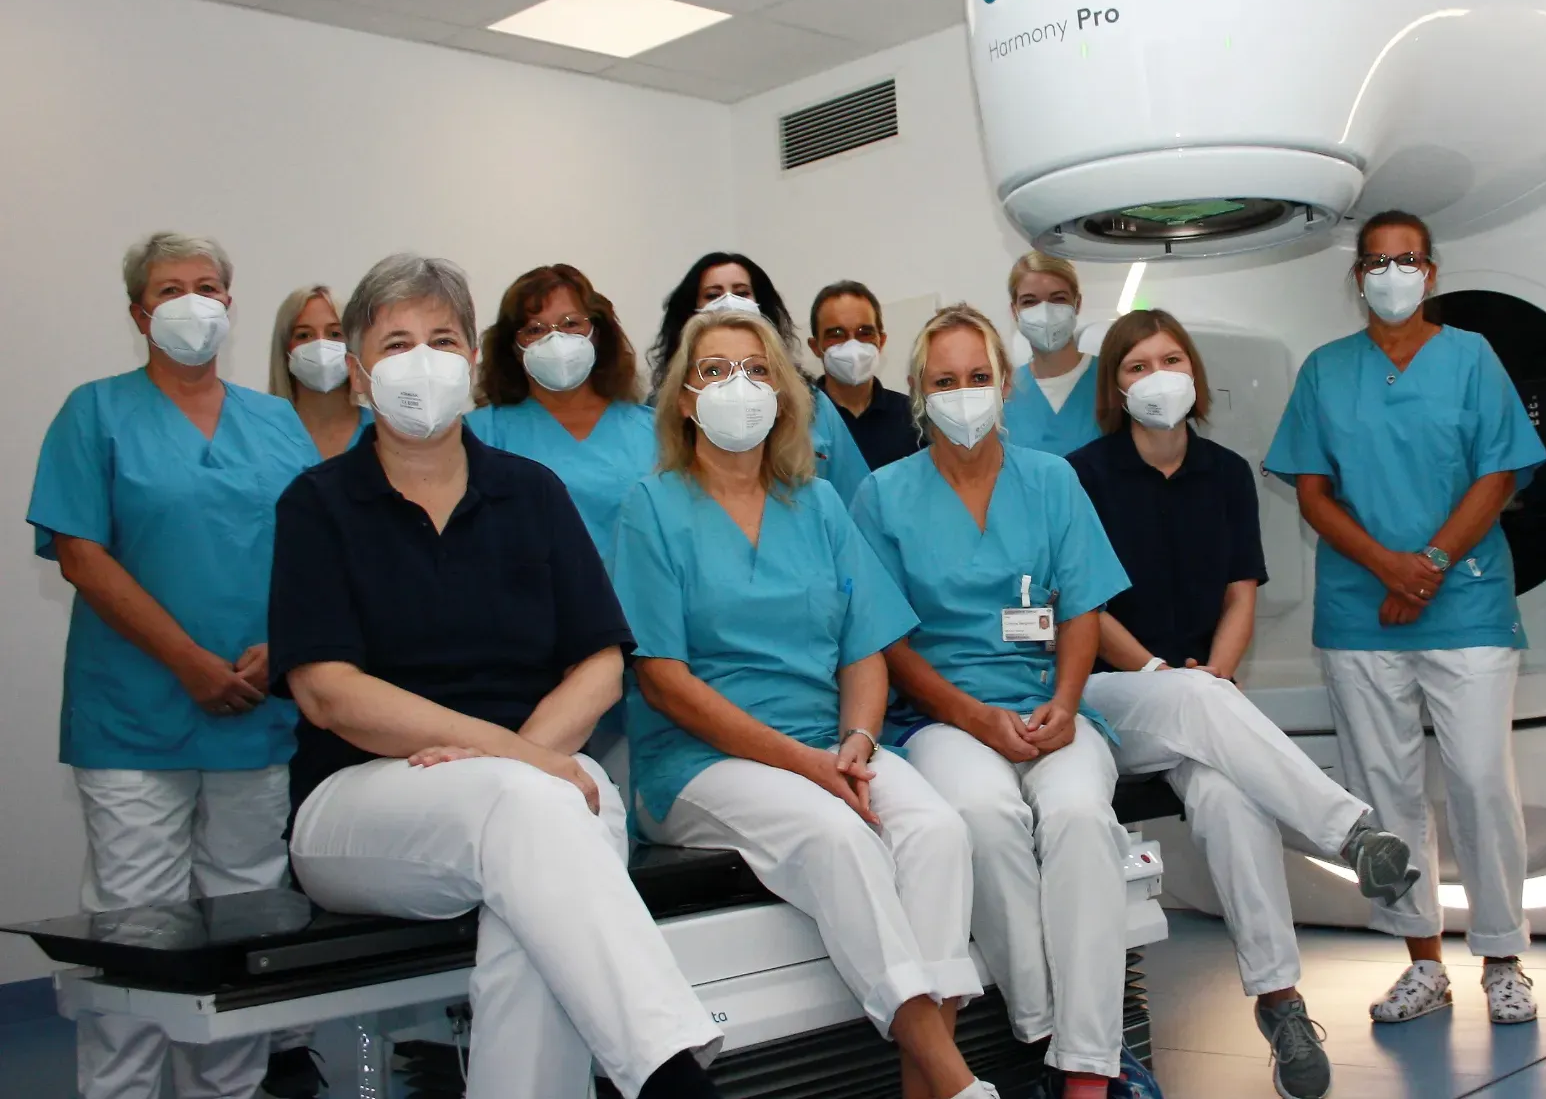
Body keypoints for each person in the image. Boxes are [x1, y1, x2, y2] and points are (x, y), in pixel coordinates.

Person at [266, 254, 722, 1099]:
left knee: (537, 876)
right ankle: (671, 1076)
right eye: (396, 343)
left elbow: (599, 662)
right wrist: (509, 758)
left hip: (528, 789)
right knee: (543, 803)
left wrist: (515, 760)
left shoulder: (532, 493)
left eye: (442, 337)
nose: (423, 360)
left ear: (471, 366)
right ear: (360, 378)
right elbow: (330, 692)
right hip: (359, 806)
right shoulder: (318, 504)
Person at [615, 309, 999, 1099]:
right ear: (684, 402)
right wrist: (808, 766)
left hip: (830, 744)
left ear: (785, 397)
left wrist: (857, 738)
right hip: (701, 764)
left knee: (936, 831)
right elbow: (663, 681)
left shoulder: (818, 503)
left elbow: (865, 649)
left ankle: (921, 1087)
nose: (738, 388)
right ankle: (958, 1084)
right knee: (839, 839)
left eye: (756, 371)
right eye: (715, 372)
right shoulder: (649, 510)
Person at [1068, 309, 1421, 1099]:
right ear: (1114, 387)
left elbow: (1240, 594)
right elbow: (1084, 609)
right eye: (1135, 366)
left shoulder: (1227, 473)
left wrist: (1217, 677)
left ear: (1194, 372)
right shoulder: (1081, 475)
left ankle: (1280, 1003)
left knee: (1230, 796)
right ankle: (1351, 832)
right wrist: (1168, 672)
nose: (1156, 376)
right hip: (1110, 696)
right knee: (1194, 702)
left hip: (1204, 700)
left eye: (1169, 359)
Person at [27, 233, 317, 1099]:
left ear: (229, 304)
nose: (192, 301)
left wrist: (282, 642)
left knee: (244, 919)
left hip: (258, 707)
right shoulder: (95, 412)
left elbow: (313, 549)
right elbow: (83, 555)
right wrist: (189, 662)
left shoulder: (276, 422)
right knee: (134, 925)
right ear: (138, 312)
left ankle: (228, 1089)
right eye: (169, 288)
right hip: (135, 713)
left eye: (208, 286)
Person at [851, 305, 1154, 1099]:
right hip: (942, 719)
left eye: (977, 378)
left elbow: (1081, 606)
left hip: (1050, 704)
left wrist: (1064, 699)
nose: (963, 394)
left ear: (1005, 383)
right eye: (944, 381)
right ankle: (1049, 1027)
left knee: (1083, 820)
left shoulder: (1052, 481)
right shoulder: (881, 497)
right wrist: (972, 716)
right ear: (918, 392)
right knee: (983, 819)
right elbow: (887, 642)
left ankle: (1088, 1073)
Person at [1266, 211, 1546, 1031]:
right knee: (1384, 793)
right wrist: (1391, 569)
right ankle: (1421, 960)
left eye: (1407, 259)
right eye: (1376, 261)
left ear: (1431, 269)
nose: (1391, 274)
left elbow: (1499, 474)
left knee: (1482, 782)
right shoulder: (1327, 370)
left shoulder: (1471, 358)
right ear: (1357, 276)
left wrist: (1425, 568)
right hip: (1362, 610)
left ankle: (1502, 957)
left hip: (1466, 600)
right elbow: (1313, 492)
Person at [469, 264, 656, 784]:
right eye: (535, 328)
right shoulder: (481, 434)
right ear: (512, 345)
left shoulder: (653, 432)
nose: (556, 339)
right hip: (528, 669)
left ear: (599, 330)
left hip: (646, 661)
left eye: (571, 322)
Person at [646, 252, 870, 504]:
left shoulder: (812, 403)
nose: (728, 301)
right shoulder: (663, 410)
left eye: (742, 293)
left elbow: (855, 501)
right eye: (712, 295)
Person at [808, 280, 921, 470]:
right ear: (815, 347)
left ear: (881, 341)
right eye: (836, 334)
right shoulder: (797, 421)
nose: (853, 345)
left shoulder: (913, 418)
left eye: (864, 333)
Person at [1002, 251, 1100, 456]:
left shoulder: (1109, 378)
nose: (1045, 312)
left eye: (1058, 299)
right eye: (1030, 301)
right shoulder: (1005, 392)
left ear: (1077, 304)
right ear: (1014, 311)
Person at [269, 284, 372, 460]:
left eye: (334, 333)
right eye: (304, 335)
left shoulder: (382, 433)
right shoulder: (263, 433)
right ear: (285, 351)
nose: (321, 345)